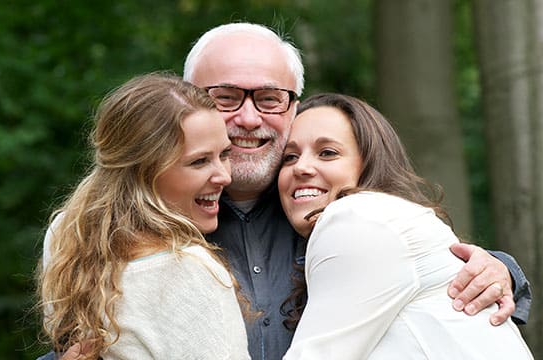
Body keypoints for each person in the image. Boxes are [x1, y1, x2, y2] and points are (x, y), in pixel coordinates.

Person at [46, 22, 532, 360]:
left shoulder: (325, 210)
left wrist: (499, 270)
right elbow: (92, 337)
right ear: (188, 104)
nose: (249, 118)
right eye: (226, 98)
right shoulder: (117, 230)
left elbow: (411, 267)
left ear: (293, 104)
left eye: (270, 99)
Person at [279, 93, 533, 359]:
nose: (301, 167)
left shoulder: (356, 216)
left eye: (327, 153)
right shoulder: (390, 219)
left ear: (369, 163)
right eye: (289, 157)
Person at [37, 73, 250, 359]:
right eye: (199, 161)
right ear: (144, 170)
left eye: (224, 154)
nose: (224, 176)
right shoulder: (189, 270)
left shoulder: (67, 232)